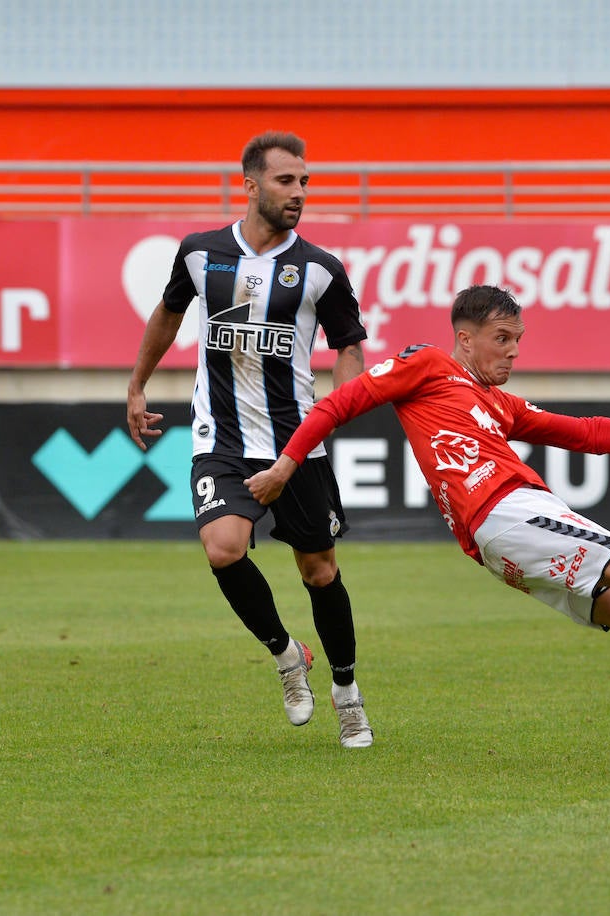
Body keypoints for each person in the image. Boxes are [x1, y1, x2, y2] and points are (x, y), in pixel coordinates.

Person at [244, 284, 610, 777]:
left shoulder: (496, 402)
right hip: (503, 509)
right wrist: (286, 465)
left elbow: (582, 431)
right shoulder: (427, 365)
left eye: (518, 341)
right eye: (502, 339)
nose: (513, 352)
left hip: (496, 539)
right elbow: (336, 404)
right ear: (464, 338)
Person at [126, 131, 375, 749]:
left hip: (298, 443)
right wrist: (136, 387)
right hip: (223, 436)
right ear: (251, 185)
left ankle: (347, 693)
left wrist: (342, 401)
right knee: (223, 548)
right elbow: (167, 313)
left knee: (319, 572)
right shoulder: (199, 253)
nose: (299, 193)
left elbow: (349, 346)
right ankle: (289, 655)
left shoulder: (320, 268)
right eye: (286, 181)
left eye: (305, 182)